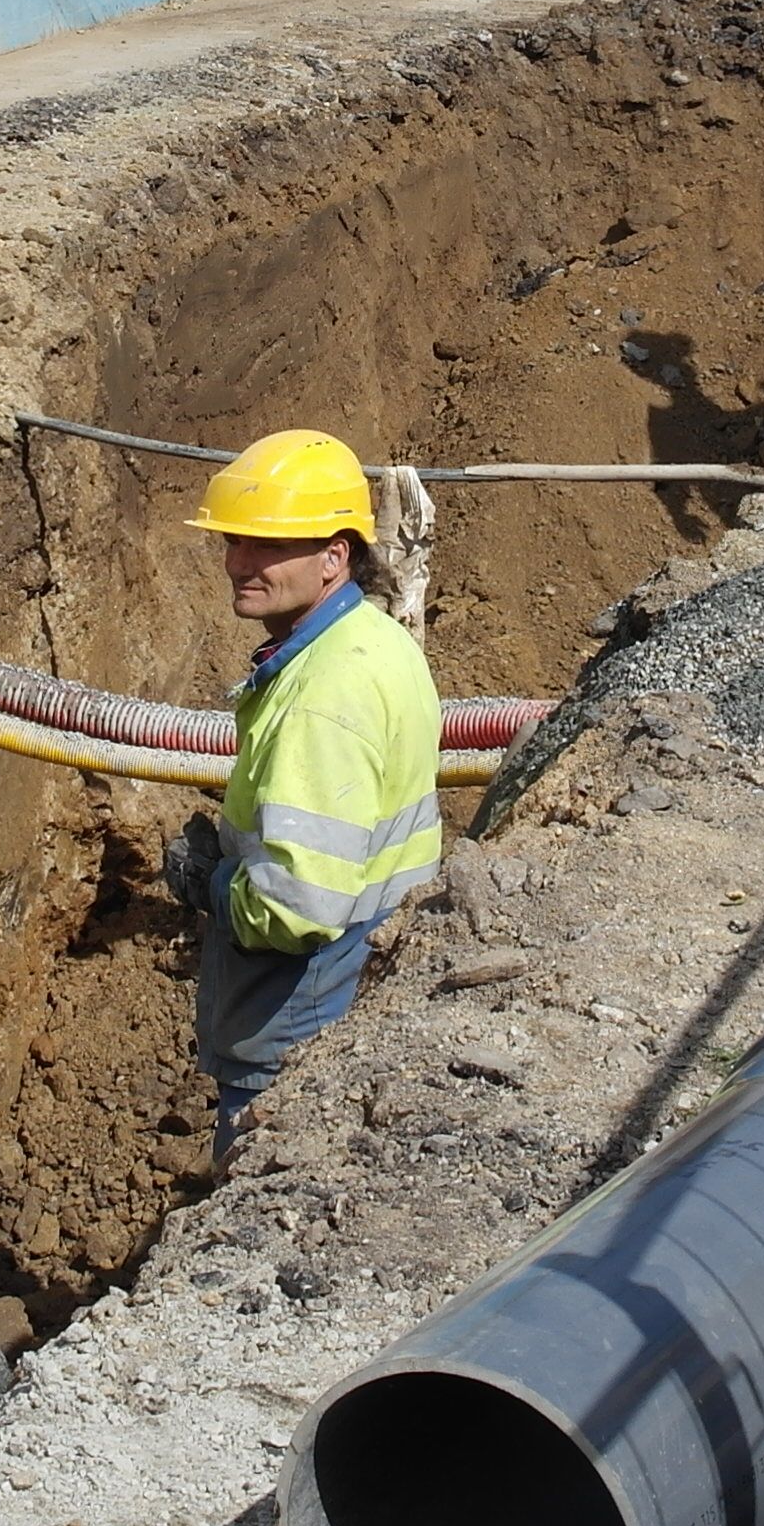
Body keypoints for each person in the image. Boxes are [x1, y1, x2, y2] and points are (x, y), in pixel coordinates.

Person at [175, 429, 448, 1153]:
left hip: (300, 1001)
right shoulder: (375, 639)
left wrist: (214, 884)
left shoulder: (321, 697)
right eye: (235, 542)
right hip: (368, 965)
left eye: (268, 546)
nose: (239, 562)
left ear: (335, 555)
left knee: (259, 1172)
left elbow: (298, 905)